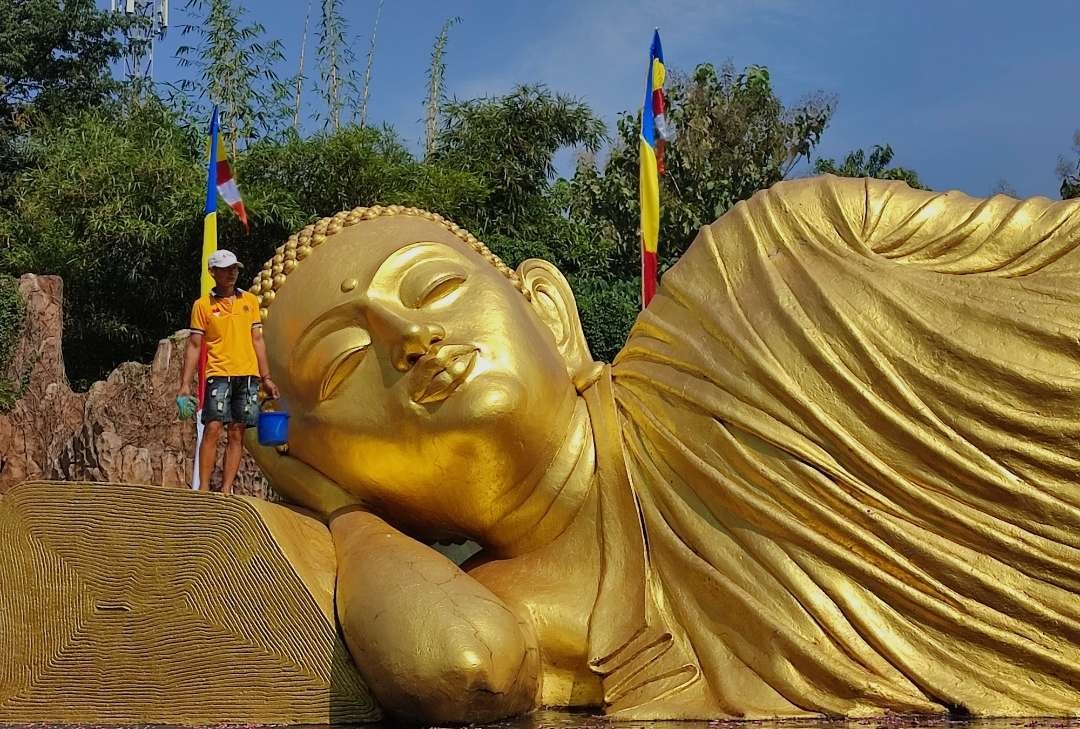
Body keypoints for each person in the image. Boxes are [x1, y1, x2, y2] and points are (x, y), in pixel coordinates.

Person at [244, 189, 1080, 724]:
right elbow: (459, 668)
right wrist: (344, 514)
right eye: (344, 363)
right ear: (333, 456)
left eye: (434, 289)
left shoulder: (767, 256)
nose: (409, 339)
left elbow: (1044, 252)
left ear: (551, 314)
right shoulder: (507, 610)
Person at [178, 249, 280, 494]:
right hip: (219, 373)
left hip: (247, 375)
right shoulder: (203, 305)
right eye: (225, 269)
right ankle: (203, 488)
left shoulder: (249, 301)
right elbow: (194, 345)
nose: (231, 274)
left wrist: (266, 377)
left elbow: (258, 340)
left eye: (234, 269)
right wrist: (184, 384)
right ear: (213, 273)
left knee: (237, 431)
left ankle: (226, 489)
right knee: (213, 427)